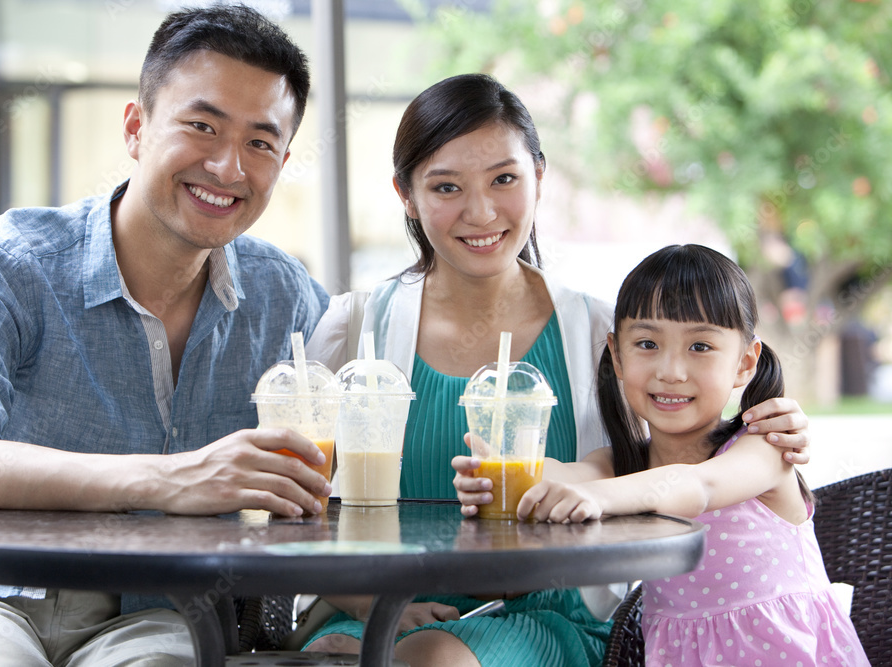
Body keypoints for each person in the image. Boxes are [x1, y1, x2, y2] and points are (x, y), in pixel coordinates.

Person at [306, 74, 811, 667]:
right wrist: (370, 604)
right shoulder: (356, 329)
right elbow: (288, 515)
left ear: (538, 178)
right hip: (378, 608)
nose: (481, 211)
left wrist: (775, 426)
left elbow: (686, 451)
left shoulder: (606, 337)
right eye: (446, 187)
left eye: (504, 179)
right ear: (406, 194)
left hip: (544, 622)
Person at [0, 5, 330, 665]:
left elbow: (358, 456)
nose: (227, 166)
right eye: (202, 125)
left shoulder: (284, 296)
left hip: (163, 612)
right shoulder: (2, 265)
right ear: (136, 127)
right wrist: (167, 479)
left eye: (259, 143)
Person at [456, 244, 866, 665]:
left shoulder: (763, 447)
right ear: (617, 355)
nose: (670, 371)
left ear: (745, 364)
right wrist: (496, 474)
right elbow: (565, 473)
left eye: (700, 347)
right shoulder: (622, 464)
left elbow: (698, 485)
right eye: (648, 343)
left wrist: (602, 496)